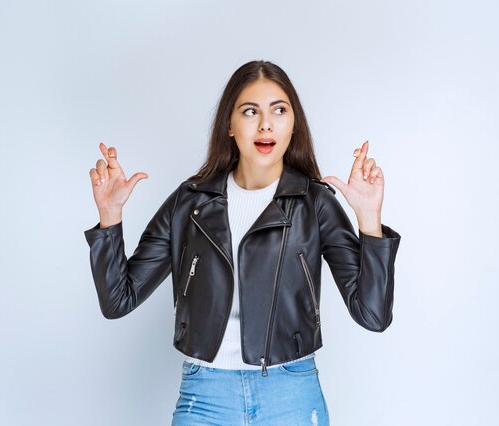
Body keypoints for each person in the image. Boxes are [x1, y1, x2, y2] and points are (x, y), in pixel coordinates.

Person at [84, 60, 401, 426]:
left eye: (279, 110)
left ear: (292, 123)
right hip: (204, 397)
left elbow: (373, 315)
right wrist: (110, 217)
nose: (266, 124)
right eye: (250, 111)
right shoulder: (190, 202)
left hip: (290, 395)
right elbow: (118, 300)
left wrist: (368, 219)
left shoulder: (315, 203)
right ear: (230, 126)